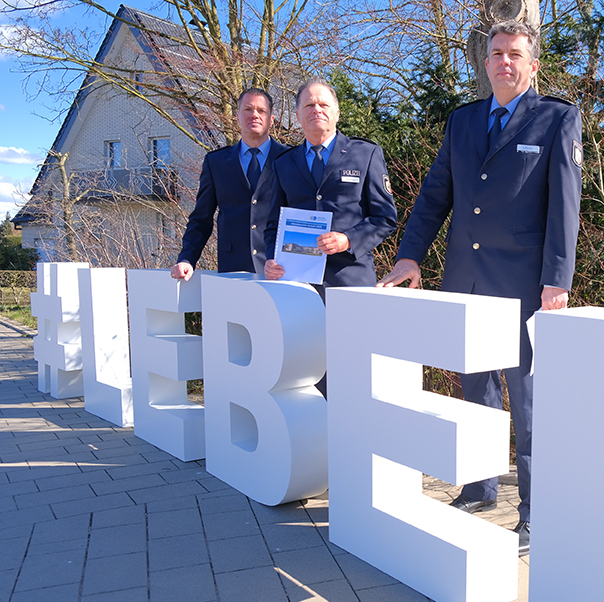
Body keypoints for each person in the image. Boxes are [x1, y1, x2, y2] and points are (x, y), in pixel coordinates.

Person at [377, 20, 583, 556]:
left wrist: (556, 281)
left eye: (515, 54)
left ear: (533, 65)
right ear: (485, 62)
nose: (504, 62)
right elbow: (434, 195)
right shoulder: (463, 122)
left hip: (523, 288)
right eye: (496, 54)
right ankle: (479, 487)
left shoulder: (557, 119)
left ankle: (538, 510)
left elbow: (565, 206)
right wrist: (409, 255)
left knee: (529, 400)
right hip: (465, 281)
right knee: (475, 391)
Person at [262, 79, 397, 287]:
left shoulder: (365, 154)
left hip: (350, 279)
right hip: (296, 281)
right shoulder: (283, 163)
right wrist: (272, 259)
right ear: (298, 115)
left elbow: (385, 218)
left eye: (323, 105)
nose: (316, 110)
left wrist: (348, 239)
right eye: (309, 105)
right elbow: (273, 225)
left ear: (337, 113)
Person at [171, 88, 289, 280]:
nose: (254, 115)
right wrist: (186, 259)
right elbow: (201, 219)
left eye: (261, 110)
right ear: (237, 117)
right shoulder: (216, 162)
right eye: (248, 109)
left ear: (272, 119)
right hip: (232, 270)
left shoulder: (289, 159)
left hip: (278, 269)